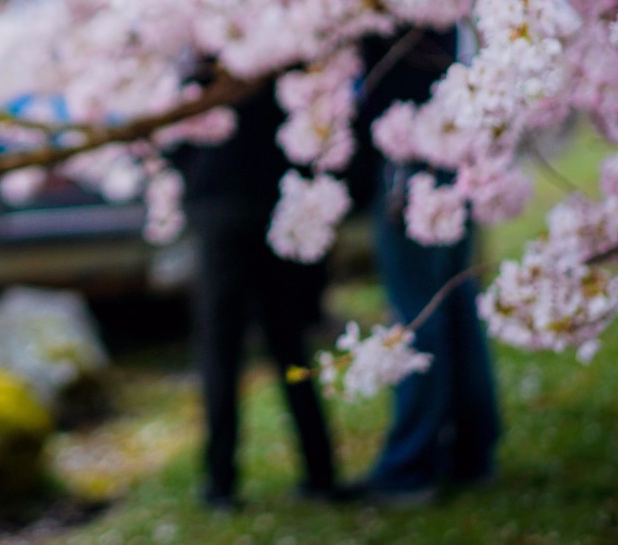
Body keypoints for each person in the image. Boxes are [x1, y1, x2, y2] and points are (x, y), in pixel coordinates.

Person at [352, 28, 503, 504]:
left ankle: (410, 464)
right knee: (454, 301)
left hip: (409, 154)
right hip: (448, 147)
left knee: (418, 312)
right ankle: (472, 448)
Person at [179, 75, 344, 510]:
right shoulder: (281, 58)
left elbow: (174, 135)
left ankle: (220, 483)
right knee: (288, 344)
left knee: (221, 352)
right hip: (274, 202)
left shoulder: (197, 59)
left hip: (221, 208)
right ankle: (320, 470)